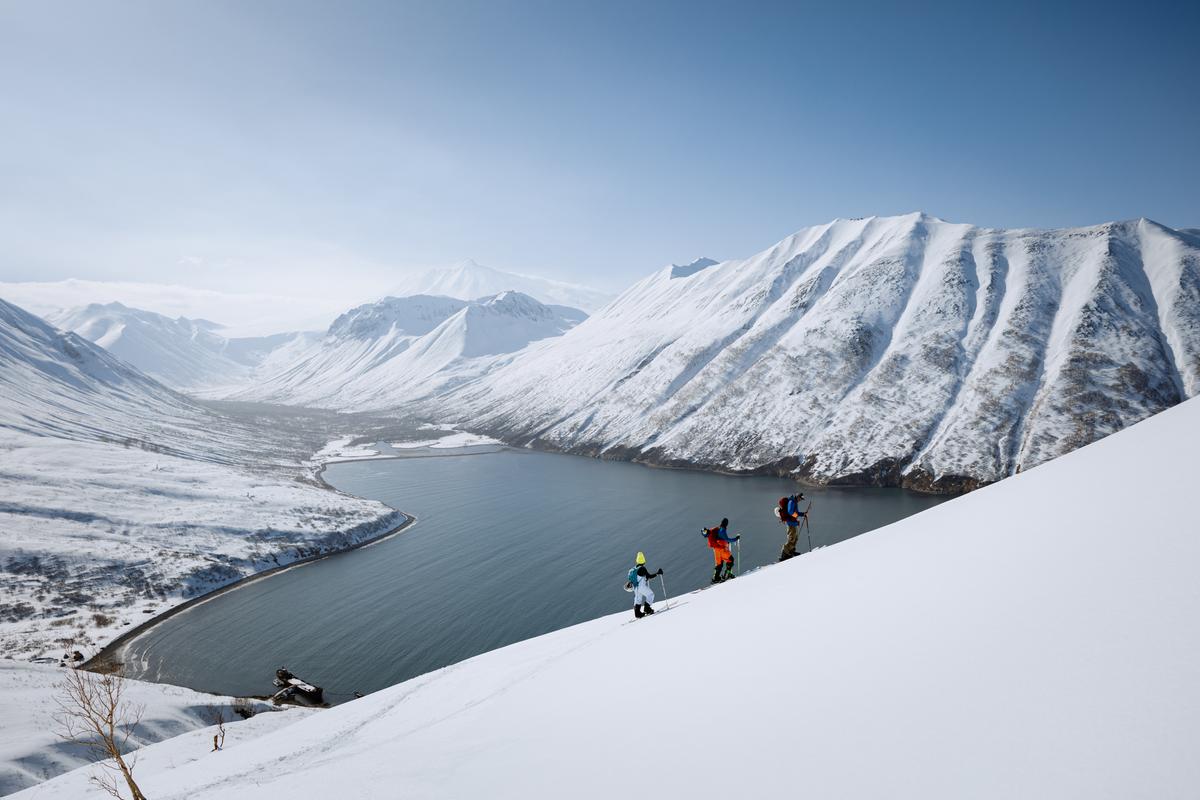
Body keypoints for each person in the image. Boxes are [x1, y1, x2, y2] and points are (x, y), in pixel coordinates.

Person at [701, 518, 740, 583]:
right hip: (721, 549)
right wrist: (736, 538)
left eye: (705, 531)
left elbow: (714, 542)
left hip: (716, 550)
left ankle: (716, 578)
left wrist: (723, 541)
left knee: (719, 564)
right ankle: (727, 575)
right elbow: (727, 539)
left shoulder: (712, 533)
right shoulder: (720, 530)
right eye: (704, 532)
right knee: (730, 560)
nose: (706, 533)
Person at [627, 551, 663, 619]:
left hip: (635, 587)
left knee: (638, 600)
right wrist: (657, 573)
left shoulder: (633, 569)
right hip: (641, 586)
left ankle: (637, 614)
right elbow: (649, 576)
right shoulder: (642, 568)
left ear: (637, 561)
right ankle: (647, 609)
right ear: (644, 561)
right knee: (650, 595)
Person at [776, 493, 808, 561]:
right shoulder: (791, 502)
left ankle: (791, 551)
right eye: (801, 499)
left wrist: (803, 514)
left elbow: (796, 512)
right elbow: (790, 512)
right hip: (790, 523)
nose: (800, 500)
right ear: (798, 497)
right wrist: (796, 516)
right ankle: (784, 555)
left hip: (793, 522)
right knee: (791, 538)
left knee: (795, 538)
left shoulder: (795, 502)